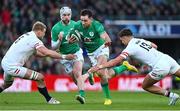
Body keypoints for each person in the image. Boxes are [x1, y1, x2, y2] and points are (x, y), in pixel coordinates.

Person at [89, 28, 180, 106]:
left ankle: (171, 95)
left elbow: (116, 61)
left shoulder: (130, 47)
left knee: (145, 85)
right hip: (167, 58)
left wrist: (99, 66)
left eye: (122, 40)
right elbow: (155, 46)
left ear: (125, 37)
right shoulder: (140, 40)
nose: (122, 42)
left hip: (160, 66)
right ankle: (172, 96)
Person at [68, 9, 138, 105]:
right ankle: (124, 66)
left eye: (85, 20)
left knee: (100, 71)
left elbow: (104, 35)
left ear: (91, 19)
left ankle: (106, 98)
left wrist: (107, 40)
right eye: (82, 20)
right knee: (105, 75)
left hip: (102, 48)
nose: (83, 23)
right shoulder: (77, 25)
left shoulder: (97, 25)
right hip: (91, 53)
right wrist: (69, 40)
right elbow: (69, 36)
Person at [0, 21, 76, 104]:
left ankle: (49, 100)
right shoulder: (34, 39)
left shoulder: (28, 35)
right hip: (12, 67)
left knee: (6, 85)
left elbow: (37, 53)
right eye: (43, 32)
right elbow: (46, 52)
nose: (44, 35)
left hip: (6, 62)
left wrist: (53, 54)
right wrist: (64, 56)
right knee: (40, 77)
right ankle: (49, 99)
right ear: (39, 31)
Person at [51, 6, 92, 104]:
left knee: (77, 73)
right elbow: (53, 47)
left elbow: (83, 36)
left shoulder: (76, 24)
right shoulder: (55, 28)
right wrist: (60, 41)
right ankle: (89, 74)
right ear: (61, 16)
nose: (66, 17)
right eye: (64, 15)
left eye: (68, 15)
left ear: (71, 15)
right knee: (75, 79)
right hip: (64, 57)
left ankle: (82, 96)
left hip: (76, 52)